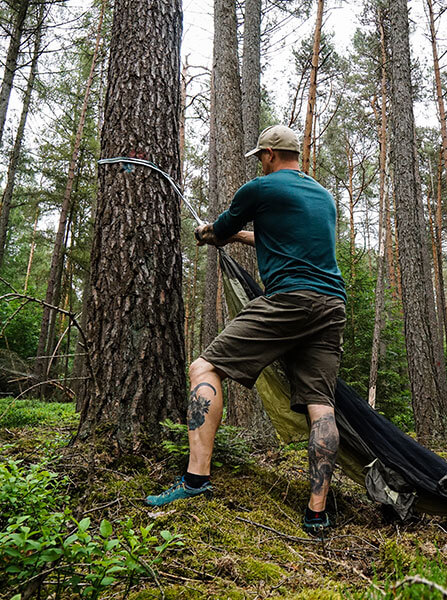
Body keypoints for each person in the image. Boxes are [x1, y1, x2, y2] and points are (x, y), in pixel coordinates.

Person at [145, 125, 346, 537]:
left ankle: (195, 481)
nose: (259, 162)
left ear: (270, 154)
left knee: (204, 367)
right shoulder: (323, 197)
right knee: (320, 405)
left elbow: (216, 229)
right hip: (331, 306)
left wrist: (210, 234)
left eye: (261, 156)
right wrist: (235, 236)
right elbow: (280, 238)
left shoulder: (259, 188)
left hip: (290, 300)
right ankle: (316, 513)